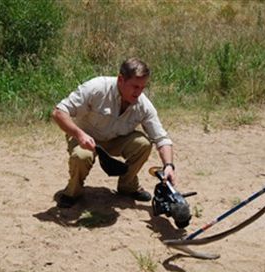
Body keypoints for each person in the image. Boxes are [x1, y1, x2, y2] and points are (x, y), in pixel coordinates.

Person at [52, 58, 176, 208]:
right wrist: (79, 134)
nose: (139, 92)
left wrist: (168, 166)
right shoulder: (96, 88)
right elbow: (59, 112)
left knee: (143, 144)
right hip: (84, 137)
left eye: (143, 87)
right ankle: (73, 192)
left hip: (115, 139)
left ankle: (127, 186)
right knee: (81, 156)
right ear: (120, 80)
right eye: (135, 86)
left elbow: (161, 138)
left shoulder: (143, 105)